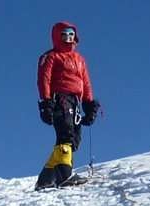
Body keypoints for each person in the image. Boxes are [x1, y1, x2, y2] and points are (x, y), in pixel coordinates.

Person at [35, 20, 101, 190]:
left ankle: (46, 178)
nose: (69, 38)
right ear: (57, 36)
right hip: (59, 98)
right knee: (66, 134)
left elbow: (85, 82)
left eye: (71, 34)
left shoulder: (79, 59)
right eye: (64, 35)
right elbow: (44, 79)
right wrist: (46, 102)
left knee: (74, 140)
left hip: (76, 100)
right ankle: (64, 176)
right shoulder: (51, 56)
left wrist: (89, 105)